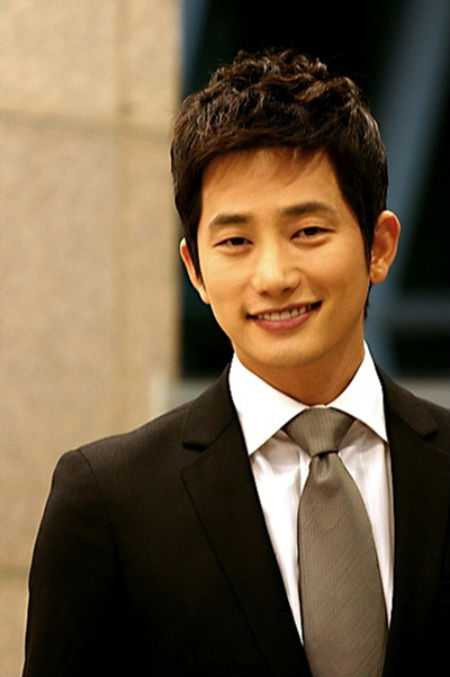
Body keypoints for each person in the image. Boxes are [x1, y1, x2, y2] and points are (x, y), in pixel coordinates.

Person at [22, 49, 450, 677]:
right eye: (235, 241)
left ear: (379, 247)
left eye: (308, 232)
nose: (273, 276)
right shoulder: (109, 501)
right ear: (195, 269)